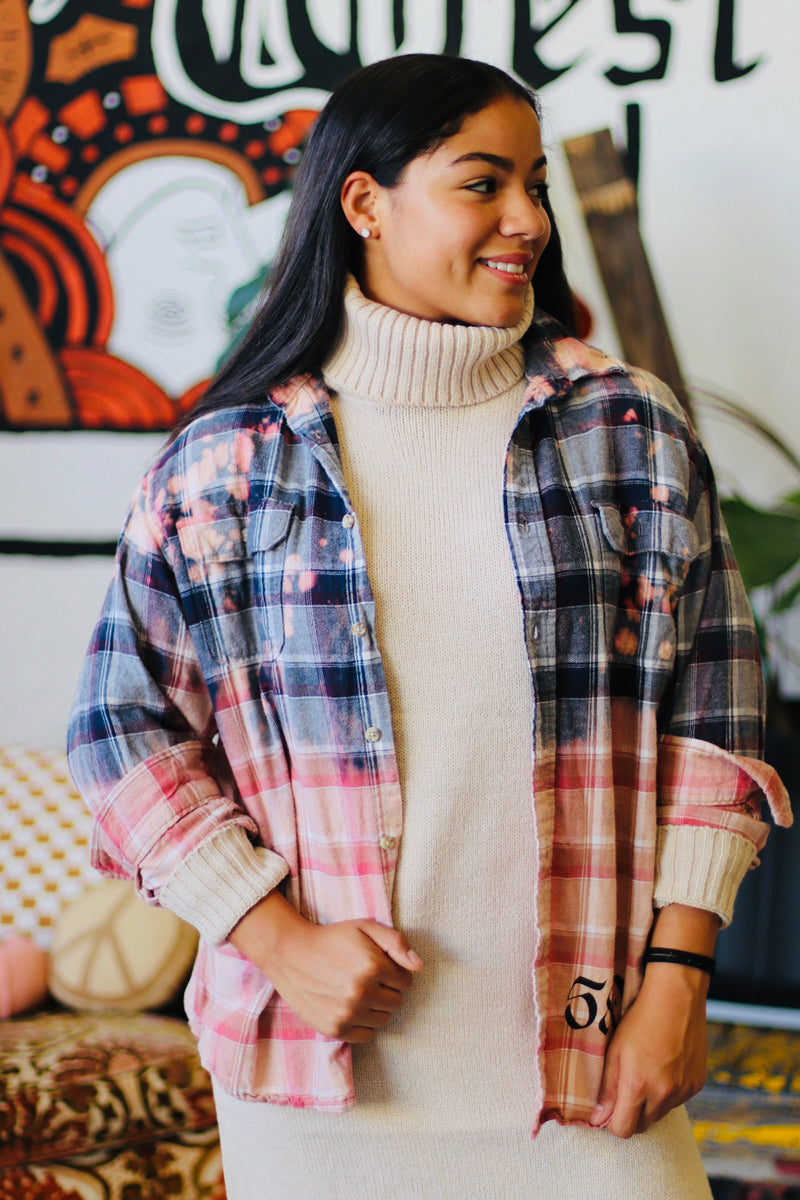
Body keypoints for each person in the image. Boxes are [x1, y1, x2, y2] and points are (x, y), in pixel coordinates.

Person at [68, 53, 790, 1200]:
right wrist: (275, 939)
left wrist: (677, 979)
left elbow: (716, 718)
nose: (526, 221)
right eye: (481, 183)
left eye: (536, 184)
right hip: (321, 1077)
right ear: (362, 202)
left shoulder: (627, 432)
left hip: (593, 1060)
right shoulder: (226, 466)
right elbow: (120, 731)